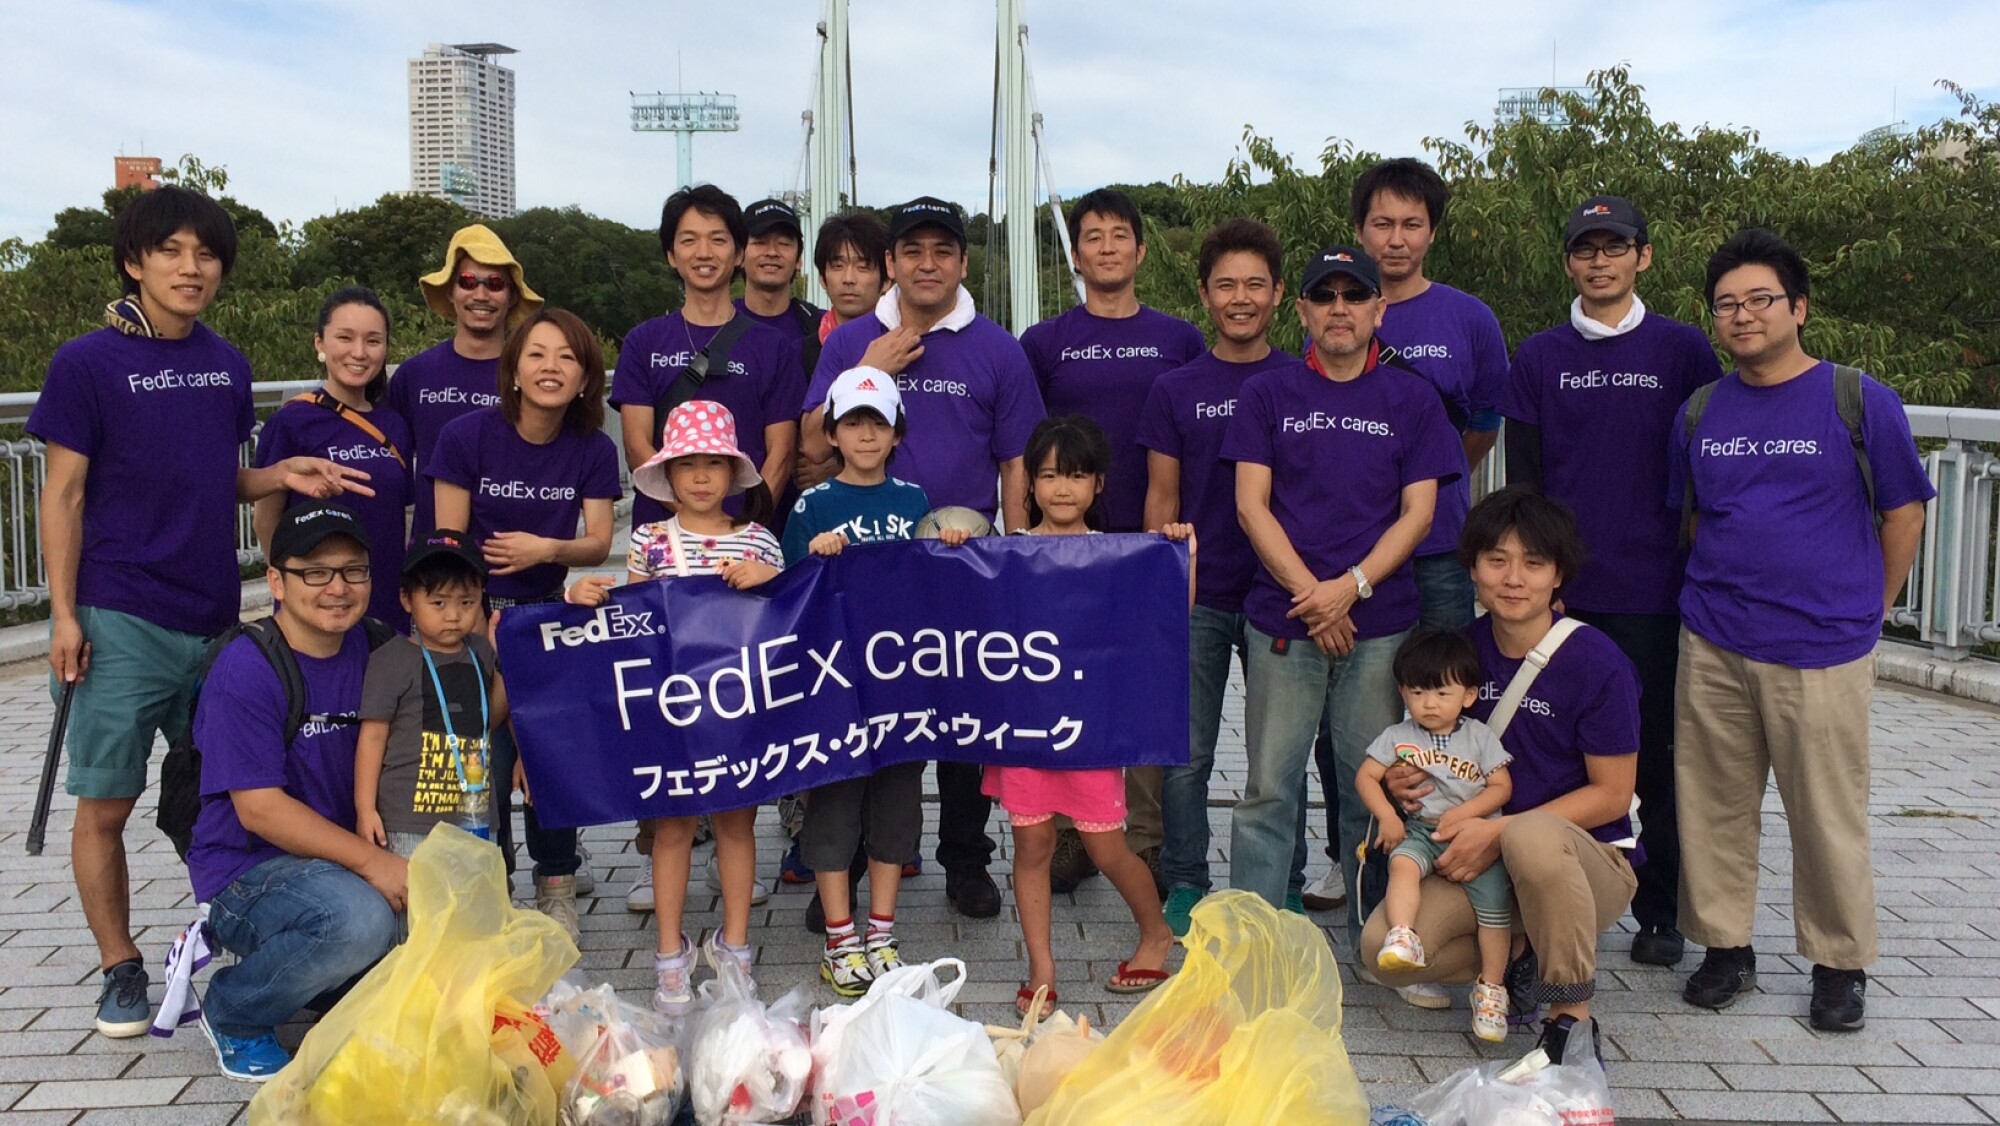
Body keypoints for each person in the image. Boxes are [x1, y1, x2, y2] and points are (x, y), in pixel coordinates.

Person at [28, 185, 368, 1040]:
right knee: (107, 803)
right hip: (119, 615)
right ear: (134, 262)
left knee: (220, 796)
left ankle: (250, 943)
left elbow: (215, 476)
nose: (191, 267)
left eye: (206, 253)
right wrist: (63, 614)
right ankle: (121, 966)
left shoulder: (226, 364)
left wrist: (279, 476)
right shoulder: (86, 363)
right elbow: (63, 494)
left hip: (217, 620)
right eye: (171, 251)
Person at [1668, 229, 1931, 1033]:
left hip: (1823, 647)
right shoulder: (1701, 410)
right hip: (1714, 637)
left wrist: (1871, 608)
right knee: (1711, 804)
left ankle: (1839, 964)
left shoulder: (1858, 399)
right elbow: (1692, 519)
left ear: (1799, 308)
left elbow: (1904, 513)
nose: (1743, 316)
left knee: (1826, 812)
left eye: (1760, 300)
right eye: (1726, 304)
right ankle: (1725, 947)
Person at [801, 196, 1047, 920]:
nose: (928, 264)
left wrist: (1016, 553)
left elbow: (1016, 460)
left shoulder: (998, 348)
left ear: (964, 263)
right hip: (863, 566)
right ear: (891, 263)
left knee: (965, 715)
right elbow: (812, 444)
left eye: (943, 251)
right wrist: (867, 366)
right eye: (913, 251)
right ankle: (846, 867)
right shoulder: (852, 340)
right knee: (861, 709)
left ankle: (965, 858)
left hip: (962, 557)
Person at [1498, 196, 1723, 969]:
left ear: (1643, 256)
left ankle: (1659, 911)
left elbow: (1707, 465)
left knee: (1655, 757)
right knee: (1544, 751)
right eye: (1585, 249)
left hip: (1655, 594)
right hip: (1564, 596)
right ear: (1568, 262)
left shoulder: (1684, 350)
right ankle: (1536, 906)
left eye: (1615, 246)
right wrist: (1536, 578)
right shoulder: (1539, 357)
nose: (1600, 261)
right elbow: (1524, 483)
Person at [1223, 245, 1461, 966]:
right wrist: (1315, 597)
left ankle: (1376, 937)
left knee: (1375, 790)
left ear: (1378, 310)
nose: (1339, 309)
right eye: (1323, 296)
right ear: (1301, 310)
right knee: (1269, 788)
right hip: (1285, 624)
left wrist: (1350, 587)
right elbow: (1251, 507)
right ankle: (1256, 940)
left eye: (1354, 296)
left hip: (1381, 628)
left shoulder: (1412, 398)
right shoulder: (1268, 395)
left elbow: (1419, 514)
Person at [1363, 486, 1640, 1066]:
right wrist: (1401, 781)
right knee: (1379, 952)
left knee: (1531, 836)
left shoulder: (1597, 662)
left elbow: (1613, 795)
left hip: (1584, 860)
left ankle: (1570, 1017)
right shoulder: (1456, 653)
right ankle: (1518, 952)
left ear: (1558, 575)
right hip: (1478, 858)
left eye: (1533, 563)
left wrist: (1501, 829)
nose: (1513, 579)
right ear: (1472, 568)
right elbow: (1418, 745)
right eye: (1497, 560)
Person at [1304, 158, 1508, 936]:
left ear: (1432, 232)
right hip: (1351, 553)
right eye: (1382, 223)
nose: (1396, 239)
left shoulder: (1469, 319)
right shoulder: (1335, 305)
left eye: (1411, 224)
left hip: (1441, 547)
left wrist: (1429, 476)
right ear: (1360, 230)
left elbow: (1482, 425)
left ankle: (1436, 839)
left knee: (1443, 700)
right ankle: (1347, 846)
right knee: (1348, 712)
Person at [609, 186, 803, 912]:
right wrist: (681, 519)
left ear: (739, 252)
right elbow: (637, 440)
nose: (704, 252)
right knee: (660, 700)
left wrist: (743, 518)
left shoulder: (772, 345)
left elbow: (781, 448)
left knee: (735, 699)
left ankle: (732, 857)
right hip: (667, 552)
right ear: (670, 253)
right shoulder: (645, 341)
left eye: (719, 239)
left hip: (740, 545)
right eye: (689, 239)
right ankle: (657, 847)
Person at [566, 400, 783, 1013]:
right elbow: (632, 620)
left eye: (714, 464)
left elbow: (788, 617)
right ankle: (669, 955)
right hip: (672, 709)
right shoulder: (650, 541)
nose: (701, 477)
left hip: (739, 709)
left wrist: (769, 577)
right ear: (668, 474)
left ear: (733, 473)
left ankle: (735, 948)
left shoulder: (760, 540)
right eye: (687, 464)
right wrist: (580, 597)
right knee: (672, 828)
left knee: (737, 822)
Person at [1020, 187, 1205, 894]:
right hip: (1066, 552)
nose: (1106, 247)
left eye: (1118, 235)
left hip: (1146, 548)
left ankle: (1143, 839)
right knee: (1070, 685)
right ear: (1075, 255)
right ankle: (1072, 833)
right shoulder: (1044, 342)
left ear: (1141, 250)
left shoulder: (1178, 339)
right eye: (1092, 236)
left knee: (1140, 691)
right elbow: (1027, 448)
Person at [1135, 218, 1310, 936]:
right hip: (1199, 593)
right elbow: (1162, 497)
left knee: (1279, 755)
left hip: (1280, 594)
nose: (1241, 298)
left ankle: (1284, 883)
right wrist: (1160, 588)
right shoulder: (1175, 388)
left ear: (1278, 294)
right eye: (1226, 285)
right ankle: (1186, 879)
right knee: (1188, 753)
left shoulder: (1303, 381)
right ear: (1205, 295)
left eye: (1255, 285)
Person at [186, 503, 402, 1081]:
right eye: (315, 572)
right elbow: (260, 811)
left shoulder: (381, 647)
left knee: (443, 913)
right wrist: (375, 864)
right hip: (249, 869)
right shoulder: (247, 666)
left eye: (353, 570)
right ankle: (234, 1010)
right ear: (277, 581)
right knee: (359, 922)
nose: (338, 588)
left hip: (344, 856)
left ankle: (325, 984)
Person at [428, 307, 621, 939]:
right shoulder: (465, 436)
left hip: (546, 620)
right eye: (537, 354)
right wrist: (470, 625)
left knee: (552, 760)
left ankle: (557, 885)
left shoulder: (592, 447)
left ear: (586, 377)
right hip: (472, 620)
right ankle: (491, 888)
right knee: (481, 759)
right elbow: (448, 546)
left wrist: (546, 550)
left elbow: (598, 542)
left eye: (567, 357)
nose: (551, 368)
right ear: (512, 369)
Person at [985, 415, 1186, 1015]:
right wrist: (955, 550)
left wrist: (1180, 553)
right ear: (1028, 482)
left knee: (1107, 847)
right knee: (1031, 844)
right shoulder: (1005, 556)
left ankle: (1156, 932)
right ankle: (1041, 967)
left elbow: (1168, 618)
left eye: (1076, 475)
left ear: (1098, 483)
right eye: (1049, 475)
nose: (1062, 488)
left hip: (1090, 730)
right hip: (1025, 727)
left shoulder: (1120, 556)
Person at [783, 370, 956, 995]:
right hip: (835, 687)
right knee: (833, 808)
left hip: (901, 686)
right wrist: (814, 556)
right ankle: (839, 938)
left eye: (877, 423)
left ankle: (881, 932)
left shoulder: (914, 501)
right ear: (831, 433)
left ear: (896, 434)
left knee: (896, 808)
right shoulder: (812, 506)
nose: (864, 434)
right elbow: (786, 593)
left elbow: (934, 581)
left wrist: (951, 542)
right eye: (852, 422)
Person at [1356, 628, 1514, 1042]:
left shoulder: (1479, 736)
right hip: (1423, 830)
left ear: (1469, 695)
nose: (1429, 703)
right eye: (1418, 692)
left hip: (1476, 837)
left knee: (1494, 913)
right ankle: (1403, 934)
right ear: (1402, 692)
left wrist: (1467, 813)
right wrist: (1387, 817)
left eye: (1443, 693)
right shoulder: (1398, 736)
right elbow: (1366, 776)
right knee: (1402, 864)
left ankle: (1492, 989)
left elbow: (1501, 787)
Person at [254, 286, 416, 630]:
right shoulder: (291, 421)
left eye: (373, 341)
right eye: (345, 337)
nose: (359, 352)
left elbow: (394, 518)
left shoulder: (395, 425)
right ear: (320, 344)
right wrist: (291, 588)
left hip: (385, 604)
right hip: (317, 607)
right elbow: (265, 521)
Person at [354, 529, 507, 863]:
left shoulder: (481, 651)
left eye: (467, 602)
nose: (453, 615)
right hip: (409, 822)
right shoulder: (390, 659)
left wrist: (503, 665)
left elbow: (488, 721)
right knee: (417, 896)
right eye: (438, 603)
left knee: (473, 895)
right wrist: (365, 809)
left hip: (475, 815)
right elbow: (372, 737)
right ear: (407, 599)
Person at [382, 224, 544, 534]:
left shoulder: (533, 375)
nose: (480, 295)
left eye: (495, 283)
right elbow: (381, 452)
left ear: (511, 296)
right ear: (450, 291)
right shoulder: (414, 375)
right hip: (435, 554)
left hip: (515, 551)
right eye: (468, 281)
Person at [793, 211, 894, 494]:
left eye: (863, 267)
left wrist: (841, 468)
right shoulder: (800, 352)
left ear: (887, 278)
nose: (849, 279)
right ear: (823, 278)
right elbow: (802, 446)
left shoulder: (899, 347)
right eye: (837, 266)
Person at [737, 197, 826, 375]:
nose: (772, 252)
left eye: (784, 243)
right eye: (760, 242)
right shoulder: (717, 324)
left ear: (799, 259)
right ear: (739, 255)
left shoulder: (822, 326)